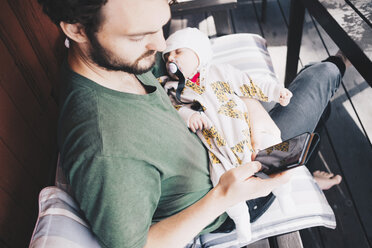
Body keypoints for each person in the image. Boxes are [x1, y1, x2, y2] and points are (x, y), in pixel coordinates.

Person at [37, 0, 343, 247]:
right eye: (139, 35)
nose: (160, 44)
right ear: (76, 30)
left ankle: (305, 168)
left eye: (161, 24)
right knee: (321, 76)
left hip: (226, 131)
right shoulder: (104, 148)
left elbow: (199, 74)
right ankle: (343, 62)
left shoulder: (118, 58)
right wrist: (224, 195)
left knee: (302, 117)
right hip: (234, 195)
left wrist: (254, 112)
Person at [159, 27, 294, 242]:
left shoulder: (220, 72)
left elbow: (249, 84)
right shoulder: (173, 87)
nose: (170, 59)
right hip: (217, 147)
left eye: (178, 52)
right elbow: (172, 108)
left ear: (198, 53)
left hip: (244, 134)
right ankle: (241, 222)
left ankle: (284, 194)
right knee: (222, 180)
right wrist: (187, 115)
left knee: (275, 150)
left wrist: (275, 91)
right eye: (167, 56)